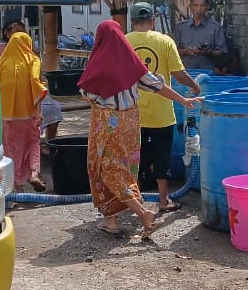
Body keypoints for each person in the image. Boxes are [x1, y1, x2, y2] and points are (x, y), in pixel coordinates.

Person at [77, 20, 200, 239]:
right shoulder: (131, 64)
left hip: (106, 124)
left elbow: (87, 93)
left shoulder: (97, 66)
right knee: (123, 167)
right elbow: (157, 86)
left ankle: (142, 213)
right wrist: (183, 100)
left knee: (106, 169)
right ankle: (111, 221)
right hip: (131, 123)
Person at [127, 2, 202, 214]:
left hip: (132, 113)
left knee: (135, 158)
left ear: (132, 21)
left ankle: (136, 202)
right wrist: (195, 86)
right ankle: (163, 201)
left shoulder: (124, 42)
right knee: (162, 158)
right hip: (161, 114)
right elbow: (178, 73)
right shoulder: (165, 41)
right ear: (153, 20)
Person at [0, 30, 48, 192]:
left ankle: (16, 184)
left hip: (5, 116)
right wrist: (39, 110)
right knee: (33, 142)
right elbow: (35, 82)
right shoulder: (32, 60)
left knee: (10, 148)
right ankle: (34, 173)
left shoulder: (2, 62)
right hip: (28, 115)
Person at [173, 0, 228, 72]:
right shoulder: (180, 28)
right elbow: (172, 52)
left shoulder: (216, 28)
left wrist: (208, 52)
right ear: (190, 6)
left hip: (208, 75)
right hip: (186, 75)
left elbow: (222, 52)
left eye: (202, 6)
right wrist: (186, 51)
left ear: (207, 6)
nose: (198, 9)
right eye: (195, 5)